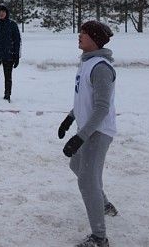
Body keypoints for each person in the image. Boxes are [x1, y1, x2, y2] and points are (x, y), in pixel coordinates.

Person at [58, 20, 117, 247]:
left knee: (86, 180)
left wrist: (80, 136)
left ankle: (99, 238)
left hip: (98, 132)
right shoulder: (86, 64)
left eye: (84, 33)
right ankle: (103, 204)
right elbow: (85, 100)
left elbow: (102, 108)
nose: (79, 35)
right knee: (76, 166)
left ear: (95, 40)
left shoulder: (101, 67)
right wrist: (70, 118)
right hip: (87, 128)